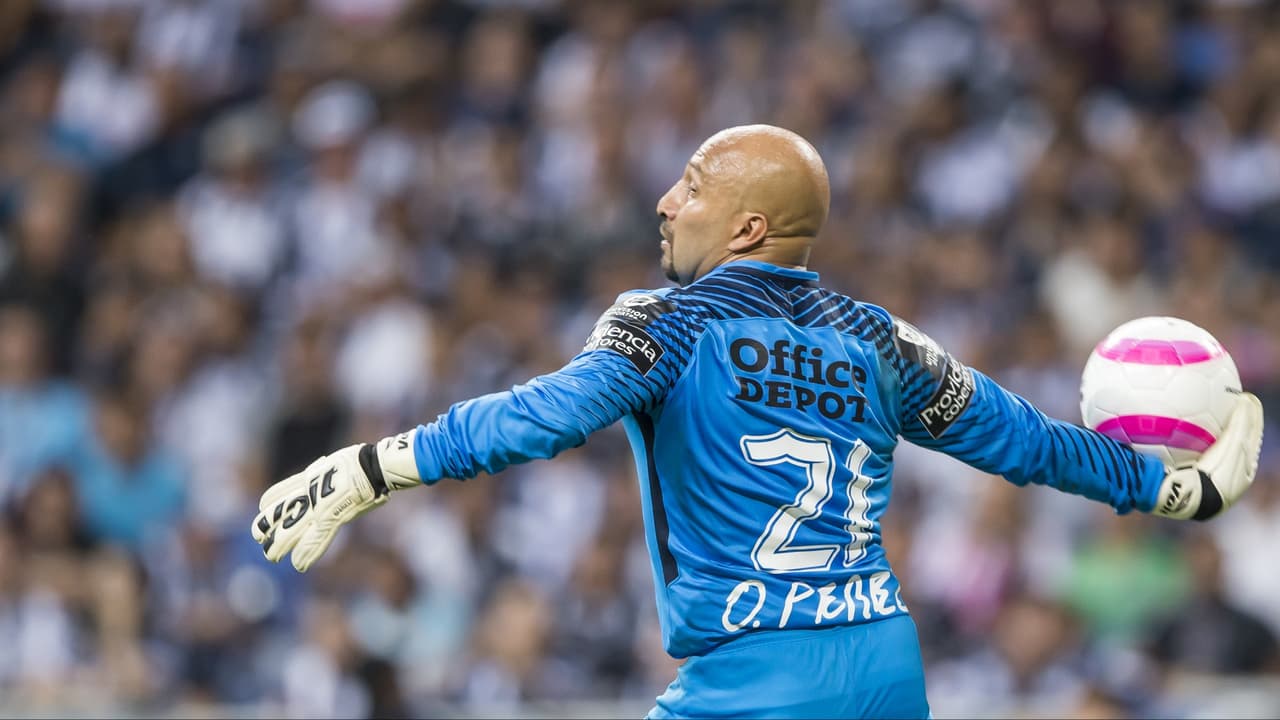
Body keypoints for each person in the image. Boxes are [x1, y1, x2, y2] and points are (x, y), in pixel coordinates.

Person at [250, 125, 1264, 718]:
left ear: (745, 226)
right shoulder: (881, 341)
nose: (664, 201)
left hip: (754, 677)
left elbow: (543, 420)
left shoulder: (665, 323)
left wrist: (375, 467)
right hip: (883, 669)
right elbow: (1026, 443)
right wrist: (1170, 487)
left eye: (689, 186)